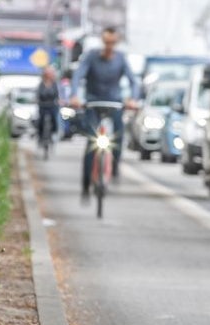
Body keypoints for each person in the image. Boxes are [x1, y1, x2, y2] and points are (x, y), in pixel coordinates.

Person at [70, 27, 140, 201]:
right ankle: (86, 184)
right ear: (102, 41)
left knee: (118, 134)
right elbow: (78, 75)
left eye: (113, 42)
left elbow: (133, 82)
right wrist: (74, 95)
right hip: (93, 103)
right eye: (107, 42)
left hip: (114, 103)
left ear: (116, 42)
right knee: (91, 142)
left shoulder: (121, 59)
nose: (109, 45)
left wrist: (133, 99)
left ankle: (114, 167)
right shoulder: (92, 56)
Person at [35, 66, 60, 146]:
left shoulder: (54, 84)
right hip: (43, 105)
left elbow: (57, 95)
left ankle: (53, 134)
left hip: (52, 105)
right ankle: (40, 136)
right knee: (41, 120)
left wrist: (59, 101)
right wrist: (37, 100)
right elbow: (38, 94)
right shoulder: (41, 84)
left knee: (54, 119)